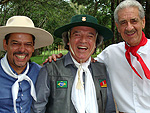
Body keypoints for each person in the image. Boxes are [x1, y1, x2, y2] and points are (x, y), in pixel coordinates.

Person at [46, 0, 150, 112]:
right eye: (123, 22)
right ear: (118, 27)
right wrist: (60, 58)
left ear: (143, 22)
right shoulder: (110, 53)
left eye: (134, 21)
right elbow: (83, 59)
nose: (129, 27)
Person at [31, 14, 116, 113]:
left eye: (90, 36)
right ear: (68, 40)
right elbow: (38, 109)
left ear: (95, 43)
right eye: (77, 35)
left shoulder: (101, 69)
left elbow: (110, 109)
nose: (83, 40)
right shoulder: (51, 69)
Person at [0, 16, 53, 113]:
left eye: (28, 44)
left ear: (33, 47)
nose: (22, 49)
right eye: (15, 43)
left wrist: (58, 61)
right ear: (5, 44)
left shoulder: (41, 72)